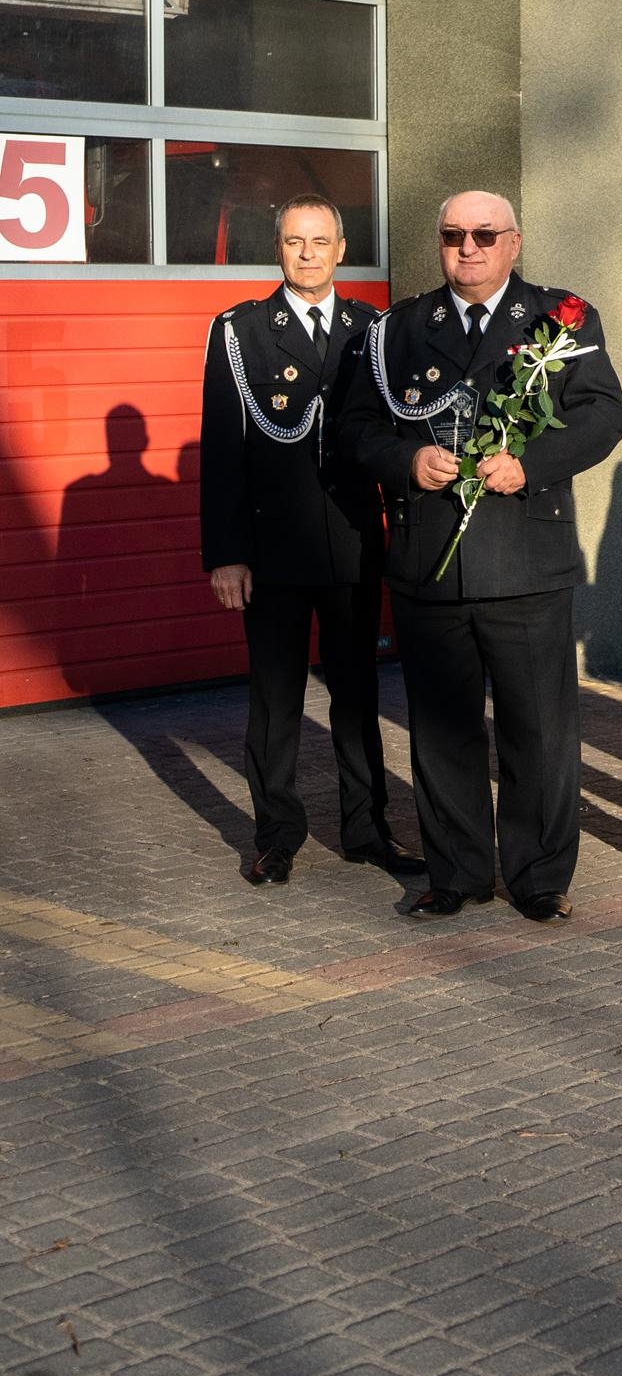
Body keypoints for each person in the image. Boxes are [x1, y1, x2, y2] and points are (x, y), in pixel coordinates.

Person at [336, 191, 622, 922]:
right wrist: (406, 460)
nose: (468, 247)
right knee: (442, 732)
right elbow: (354, 426)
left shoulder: (561, 318)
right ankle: (457, 873)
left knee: (538, 729)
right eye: (454, 235)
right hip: (430, 559)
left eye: (484, 234)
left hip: (525, 554)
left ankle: (537, 876)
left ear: (513, 242)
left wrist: (532, 462)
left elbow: (602, 414)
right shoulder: (398, 329)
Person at [197, 194, 402, 886]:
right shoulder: (241, 332)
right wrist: (226, 552)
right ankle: (276, 834)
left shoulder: (373, 328)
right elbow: (223, 449)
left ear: (342, 250)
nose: (308, 253)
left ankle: (368, 831)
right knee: (275, 700)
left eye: (320, 241)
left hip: (350, 546)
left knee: (356, 697)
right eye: (294, 241)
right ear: (278, 249)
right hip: (273, 551)